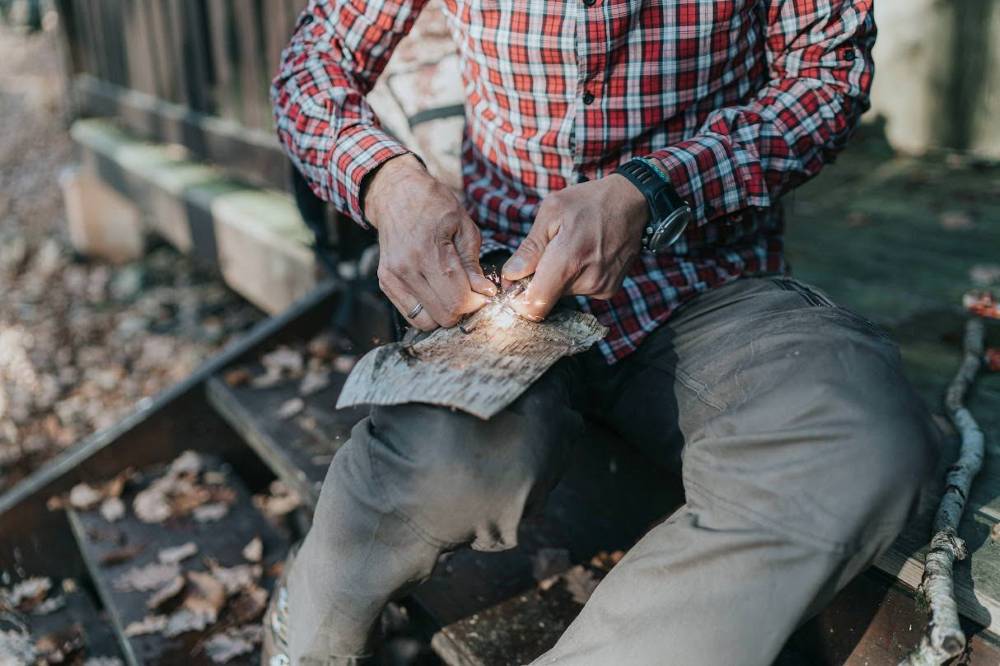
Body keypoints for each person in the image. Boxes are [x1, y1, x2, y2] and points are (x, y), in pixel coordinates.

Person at [265, 1, 938, 663]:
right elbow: (312, 65)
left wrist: (658, 188)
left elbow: (825, 77)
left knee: (855, 446)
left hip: (708, 281)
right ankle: (308, 626)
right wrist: (387, 184)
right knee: (448, 465)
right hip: (498, 286)